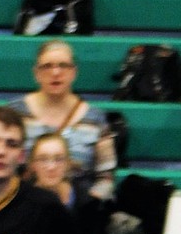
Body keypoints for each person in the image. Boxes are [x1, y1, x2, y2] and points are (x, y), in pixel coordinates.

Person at [11, 39, 117, 199]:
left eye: (63, 65)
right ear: (36, 73)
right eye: (47, 66)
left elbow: (107, 177)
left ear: (74, 72)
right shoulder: (14, 114)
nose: (55, 73)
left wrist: (85, 205)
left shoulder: (96, 119)